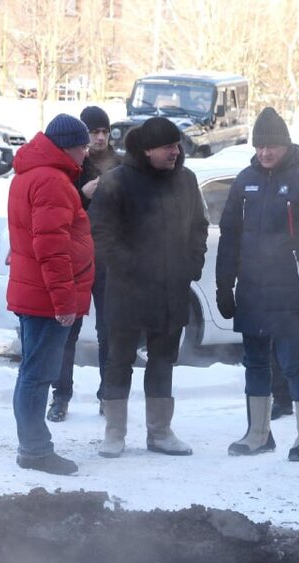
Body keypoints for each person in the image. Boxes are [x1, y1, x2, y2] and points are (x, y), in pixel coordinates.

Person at [216, 108, 299, 461]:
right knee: (255, 362)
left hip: (294, 288)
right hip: (253, 290)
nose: (265, 153)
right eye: (260, 147)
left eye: (272, 145)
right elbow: (229, 237)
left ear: (286, 144)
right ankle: (258, 434)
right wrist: (223, 286)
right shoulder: (244, 181)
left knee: (294, 362)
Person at [89, 117, 208, 458]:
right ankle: (114, 433)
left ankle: (160, 432)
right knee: (119, 360)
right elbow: (101, 235)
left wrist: (193, 263)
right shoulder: (118, 181)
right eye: (167, 146)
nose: (175, 152)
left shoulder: (186, 180)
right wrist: (134, 267)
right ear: (147, 150)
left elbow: (199, 226)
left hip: (172, 288)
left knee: (163, 360)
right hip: (127, 289)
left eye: (176, 145)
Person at [6, 114, 96, 475]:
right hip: (46, 297)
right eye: (83, 146)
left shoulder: (31, 174)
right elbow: (52, 249)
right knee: (37, 375)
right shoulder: (53, 181)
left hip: (33, 290)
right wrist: (64, 302)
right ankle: (35, 451)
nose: (87, 154)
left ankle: (33, 445)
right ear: (67, 146)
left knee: (31, 372)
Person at [47, 105, 121, 423]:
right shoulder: (71, 165)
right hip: (76, 259)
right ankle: (60, 396)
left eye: (104, 131)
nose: (100, 137)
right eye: (94, 132)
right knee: (67, 332)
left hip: (109, 260)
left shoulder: (120, 165)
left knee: (110, 332)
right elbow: (57, 207)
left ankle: (108, 396)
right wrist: (83, 193)